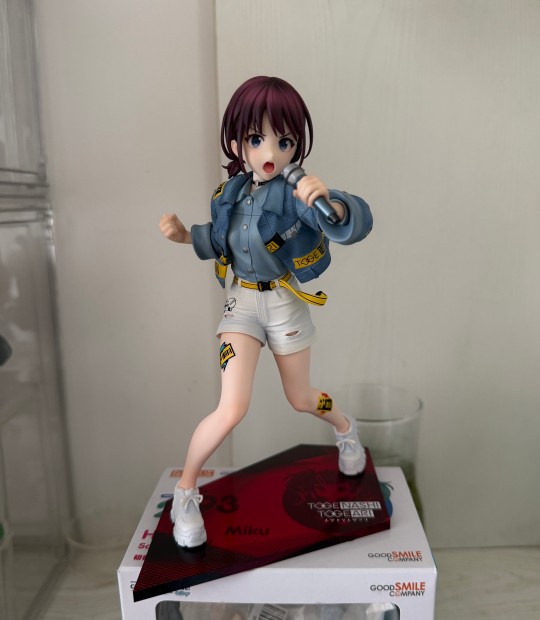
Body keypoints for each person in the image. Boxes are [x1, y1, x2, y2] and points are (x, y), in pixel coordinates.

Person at [159, 76, 373, 548]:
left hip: (284, 303)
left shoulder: (296, 193)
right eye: (256, 139)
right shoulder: (229, 194)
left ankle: (344, 426)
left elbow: (346, 223)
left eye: (284, 140)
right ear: (238, 143)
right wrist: (184, 236)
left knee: (304, 398)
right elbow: (218, 238)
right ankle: (186, 492)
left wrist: (333, 203)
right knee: (231, 407)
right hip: (241, 304)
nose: (270, 151)